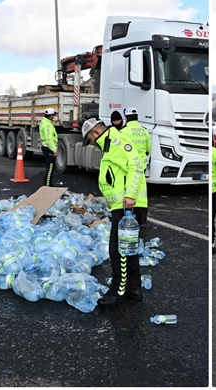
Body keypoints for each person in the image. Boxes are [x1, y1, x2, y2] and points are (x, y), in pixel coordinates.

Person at [81, 118, 147, 307]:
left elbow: (136, 166)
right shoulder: (110, 144)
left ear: (95, 133)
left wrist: (130, 195)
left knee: (118, 250)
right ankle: (134, 289)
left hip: (128, 205)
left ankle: (118, 291)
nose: (91, 144)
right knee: (128, 248)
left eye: (90, 140)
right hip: (122, 204)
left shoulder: (117, 142)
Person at [121, 107, 152, 174]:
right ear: (137, 118)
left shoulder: (123, 132)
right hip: (142, 164)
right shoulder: (144, 130)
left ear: (126, 118)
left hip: (130, 165)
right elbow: (148, 148)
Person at [39, 108, 59, 187]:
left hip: (46, 147)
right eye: (53, 115)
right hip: (48, 148)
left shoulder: (44, 122)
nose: (54, 116)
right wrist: (54, 150)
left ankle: (48, 184)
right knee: (50, 167)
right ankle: (48, 185)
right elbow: (49, 139)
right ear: (50, 116)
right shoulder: (48, 125)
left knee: (50, 166)